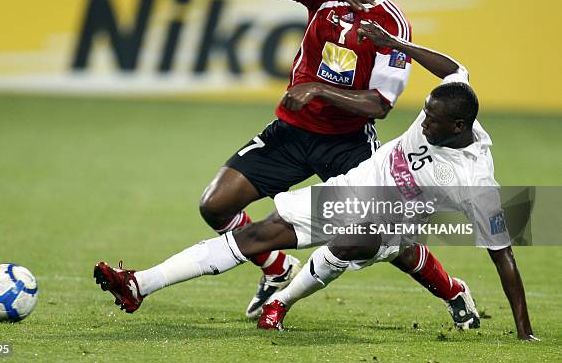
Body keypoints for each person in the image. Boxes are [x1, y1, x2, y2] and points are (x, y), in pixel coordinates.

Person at [93, 22, 538, 340]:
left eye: (434, 121)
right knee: (257, 235)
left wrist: (524, 333)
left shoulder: (477, 184)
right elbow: (454, 67)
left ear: (459, 126)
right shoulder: (448, 101)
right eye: (425, 112)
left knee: (353, 241)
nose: (423, 123)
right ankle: (140, 285)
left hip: (393, 218)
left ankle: (283, 300)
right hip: (354, 187)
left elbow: (505, 258)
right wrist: (393, 42)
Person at [196, 0, 454, 319]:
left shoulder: (392, 25)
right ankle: (276, 269)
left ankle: (452, 292)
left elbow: (379, 104)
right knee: (215, 205)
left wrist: (318, 89)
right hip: (291, 132)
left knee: (376, 234)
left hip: (346, 145)